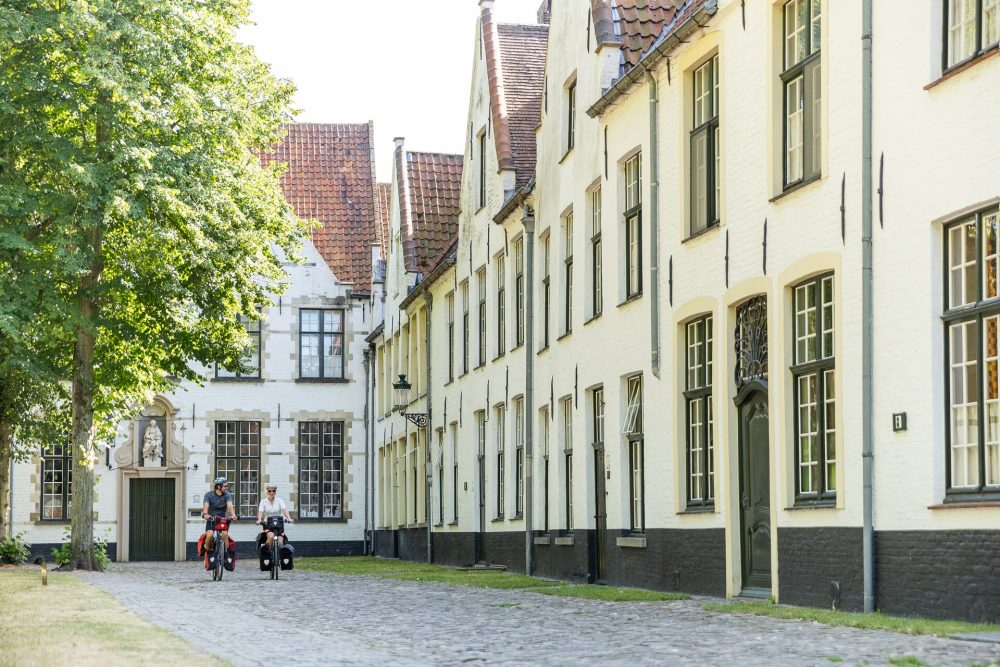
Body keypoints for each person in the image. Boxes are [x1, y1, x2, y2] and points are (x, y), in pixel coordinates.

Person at [201, 477, 236, 557]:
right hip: (211, 519)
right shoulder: (208, 495)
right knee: (209, 535)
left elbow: (230, 507)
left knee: (224, 534)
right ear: (218, 487)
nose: (227, 488)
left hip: (222, 519)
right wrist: (206, 514)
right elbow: (205, 506)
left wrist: (233, 515)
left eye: (227, 486)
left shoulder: (227, 495)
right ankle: (209, 552)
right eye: (225, 486)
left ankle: (226, 554)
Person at [256, 483, 293, 549]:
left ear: (275, 492)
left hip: (279, 524)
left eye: (273, 491)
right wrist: (259, 520)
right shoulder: (263, 501)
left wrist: (289, 518)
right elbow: (260, 512)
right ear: (267, 492)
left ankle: (279, 558)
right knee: (271, 537)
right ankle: (267, 554)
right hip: (268, 524)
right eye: (269, 491)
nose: (271, 492)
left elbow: (284, 510)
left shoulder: (279, 500)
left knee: (280, 542)